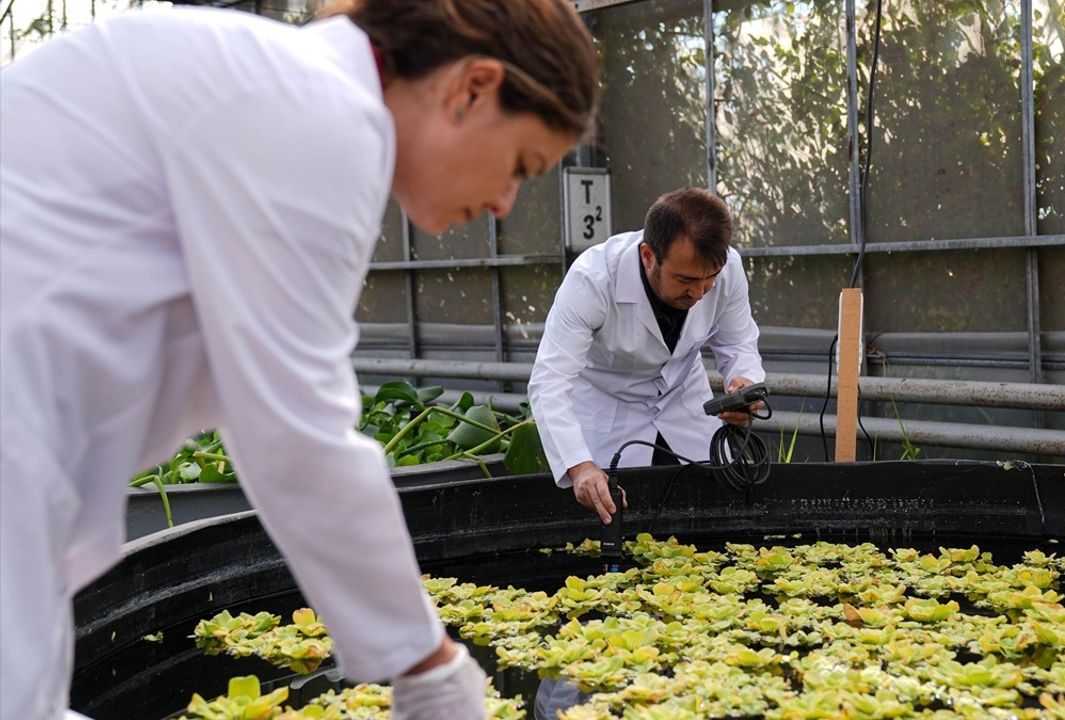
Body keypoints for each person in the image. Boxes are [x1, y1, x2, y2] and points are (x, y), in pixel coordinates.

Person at [0, 0, 597, 716]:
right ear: (472, 87)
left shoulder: (286, 85)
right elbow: (295, 433)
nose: (506, 202)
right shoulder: (323, 115)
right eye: (521, 165)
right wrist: (431, 666)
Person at [528, 188, 765, 523]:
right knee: (617, 522)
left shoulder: (729, 270)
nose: (698, 293)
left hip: (683, 401)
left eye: (708, 280)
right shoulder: (592, 280)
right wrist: (579, 467)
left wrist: (743, 387)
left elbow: (737, 343)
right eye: (685, 280)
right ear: (648, 256)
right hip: (608, 408)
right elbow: (549, 382)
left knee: (709, 514)